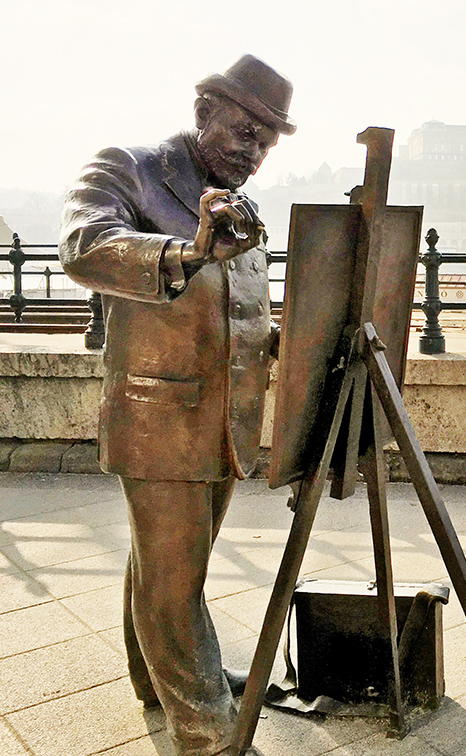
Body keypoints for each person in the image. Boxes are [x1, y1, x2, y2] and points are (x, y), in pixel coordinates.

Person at [59, 55, 296, 756]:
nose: (252, 148)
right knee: (173, 578)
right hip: (158, 412)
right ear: (203, 112)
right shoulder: (129, 168)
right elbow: (84, 246)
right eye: (243, 128)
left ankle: (153, 678)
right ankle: (206, 728)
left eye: (266, 139)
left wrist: (299, 338)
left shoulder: (240, 206)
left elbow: (244, 316)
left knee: (168, 567)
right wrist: (183, 251)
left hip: (225, 420)